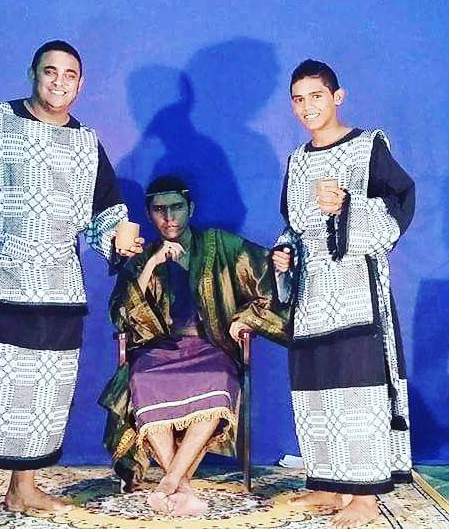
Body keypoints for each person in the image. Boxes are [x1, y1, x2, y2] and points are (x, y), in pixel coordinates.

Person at [0, 40, 143, 528]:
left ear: (81, 84)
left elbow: (105, 212)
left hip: (60, 284)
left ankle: (24, 487)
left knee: (45, 391)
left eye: (69, 75)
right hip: (1, 275)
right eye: (50, 71)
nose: (59, 82)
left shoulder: (86, 141)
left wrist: (120, 240)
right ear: (32, 73)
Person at [272, 59, 415, 529]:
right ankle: (330, 484)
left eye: (316, 96)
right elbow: (294, 227)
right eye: (298, 99)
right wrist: (284, 254)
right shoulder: (296, 161)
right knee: (317, 388)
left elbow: (400, 203)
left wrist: (350, 206)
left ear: (337, 97)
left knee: (359, 390)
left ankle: (365, 497)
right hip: (312, 295)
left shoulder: (368, 147)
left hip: (356, 291)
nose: (307, 107)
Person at [99, 175, 287, 517]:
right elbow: (122, 315)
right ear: (149, 214)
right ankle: (180, 485)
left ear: (191, 209)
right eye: (159, 210)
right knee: (141, 379)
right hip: (158, 350)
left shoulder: (220, 245)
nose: (169, 217)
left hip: (210, 346)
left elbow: (268, 274)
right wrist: (152, 264)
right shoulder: (142, 257)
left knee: (220, 379)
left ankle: (169, 483)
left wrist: (247, 318)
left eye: (176, 207)